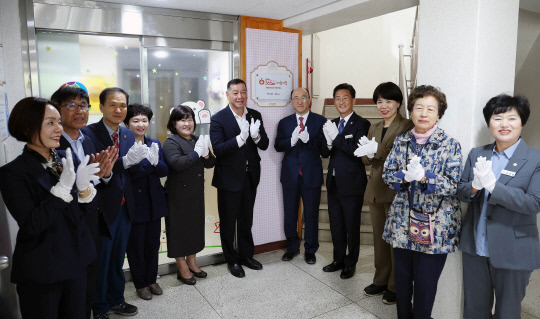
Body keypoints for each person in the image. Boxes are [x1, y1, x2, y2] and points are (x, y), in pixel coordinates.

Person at [0, 97, 98, 319]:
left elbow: (83, 215)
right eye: (50, 123)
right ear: (27, 127)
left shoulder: (65, 158)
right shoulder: (13, 173)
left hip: (77, 259)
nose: (59, 129)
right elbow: (32, 225)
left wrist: (83, 190)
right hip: (43, 269)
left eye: (59, 123)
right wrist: (62, 189)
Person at [382, 85, 462, 319]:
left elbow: (454, 185)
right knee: (403, 284)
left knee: (426, 288)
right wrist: (403, 177)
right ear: (411, 111)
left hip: (436, 226)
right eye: (419, 108)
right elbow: (388, 174)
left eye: (430, 109)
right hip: (402, 223)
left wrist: (427, 178)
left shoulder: (450, 144)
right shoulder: (401, 141)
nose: (423, 113)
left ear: (439, 114)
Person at [457, 94, 540, 319]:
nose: (504, 124)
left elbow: (534, 203)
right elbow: (461, 191)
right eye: (497, 118)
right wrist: (474, 187)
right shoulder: (477, 154)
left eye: (512, 118)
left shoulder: (535, 159)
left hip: (514, 249)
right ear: (489, 123)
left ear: (522, 122)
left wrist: (494, 186)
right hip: (476, 246)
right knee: (474, 309)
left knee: (507, 312)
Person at [51, 84, 117, 319]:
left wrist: (105, 175)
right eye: (71, 105)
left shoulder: (88, 138)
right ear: (57, 109)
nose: (79, 111)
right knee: (72, 289)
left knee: (91, 278)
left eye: (83, 105)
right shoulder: (52, 143)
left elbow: (97, 176)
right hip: (68, 227)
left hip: (93, 220)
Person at [82, 88, 145, 318]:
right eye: (113, 105)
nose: (119, 110)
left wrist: (138, 160)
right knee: (101, 261)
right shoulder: (88, 134)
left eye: (123, 105)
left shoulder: (127, 134)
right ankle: (98, 307)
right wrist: (124, 163)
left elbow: (129, 169)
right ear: (101, 107)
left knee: (118, 257)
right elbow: (96, 170)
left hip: (124, 206)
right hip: (101, 208)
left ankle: (116, 299)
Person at [356, 82, 414, 304]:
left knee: (395, 242)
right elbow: (365, 157)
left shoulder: (407, 125)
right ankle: (380, 280)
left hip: (395, 192)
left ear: (398, 103)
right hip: (374, 191)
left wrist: (376, 152)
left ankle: (395, 286)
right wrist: (368, 156)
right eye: (379, 101)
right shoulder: (375, 126)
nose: (383, 106)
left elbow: (401, 156)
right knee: (379, 240)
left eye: (388, 101)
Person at [210, 78, 269, 278]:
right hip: (228, 179)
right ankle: (232, 260)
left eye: (243, 92)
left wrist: (255, 137)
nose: (240, 96)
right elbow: (218, 149)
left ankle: (246, 255)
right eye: (235, 92)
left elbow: (265, 144)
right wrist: (240, 139)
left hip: (250, 176)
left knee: (246, 219)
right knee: (228, 222)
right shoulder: (218, 118)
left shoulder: (255, 115)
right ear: (228, 95)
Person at [321, 83, 371, 279]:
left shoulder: (362, 124)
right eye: (337, 98)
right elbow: (326, 153)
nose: (341, 102)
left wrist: (337, 137)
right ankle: (338, 259)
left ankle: (351, 262)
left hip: (352, 184)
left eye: (345, 98)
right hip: (333, 182)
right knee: (336, 225)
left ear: (353, 100)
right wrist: (327, 141)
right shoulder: (331, 123)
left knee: (351, 226)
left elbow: (355, 152)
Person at [275, 87, 330, 264]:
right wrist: (290, 141)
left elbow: (324, 150)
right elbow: (277, 145)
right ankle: (292, 247)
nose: (299, 101)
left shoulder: (320, 121)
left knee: (312, 214)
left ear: (309, 101)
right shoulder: (284, 123)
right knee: (290, 212)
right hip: (290, 174)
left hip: (311, 174)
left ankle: (311, 250)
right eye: (296, 98)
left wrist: (309, 140)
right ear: (291, 101)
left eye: (303, 97)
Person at [163, 105, 214, 285]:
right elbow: (177, 163)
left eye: (190, 119)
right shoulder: (171, 142)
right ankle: (181, 266)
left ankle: (192, 262)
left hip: (196, 193)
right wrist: (196, 153)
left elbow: (210, 164)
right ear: (174, 123)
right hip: (178, 195)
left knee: (193, 228)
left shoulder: (197, 138)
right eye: (182, 120)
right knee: (179, 231)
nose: (187, 123)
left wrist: (206, 155)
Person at [124, 104, 169, 300]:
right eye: (135, 120)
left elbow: (164, 171)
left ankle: (152, 280)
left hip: (154, 202)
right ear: (127, 123)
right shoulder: (124, 145)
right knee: (136, 247)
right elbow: (128, 173)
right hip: (135, 204)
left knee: (152, 245)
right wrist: (145, 166)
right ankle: (140, 284)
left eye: (144, 120)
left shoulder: (154, 143)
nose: (140, 124)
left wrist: (155, 163)